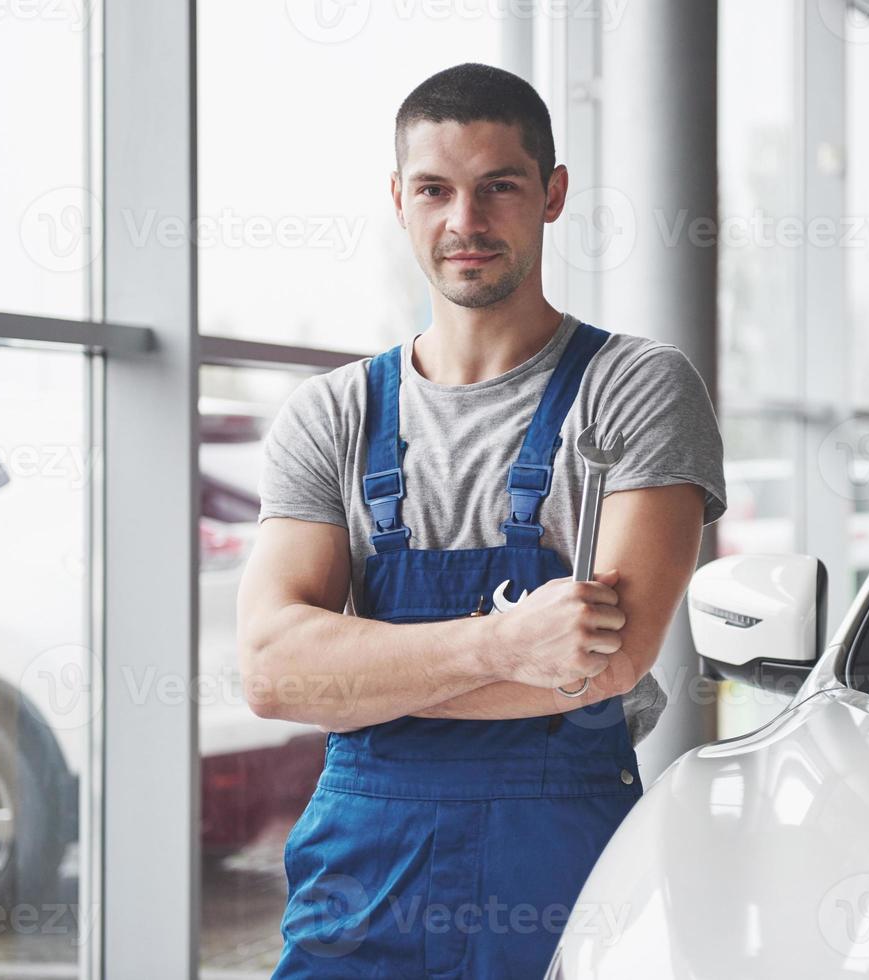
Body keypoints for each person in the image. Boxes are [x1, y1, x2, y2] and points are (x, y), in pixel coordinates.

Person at [237, 62, 727, 978]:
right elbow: (272, 676)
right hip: (359, 885)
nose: (464, 222)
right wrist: (505, 648)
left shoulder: (637, 389)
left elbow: (606, 665)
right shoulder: (332, 414)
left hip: (562, 871)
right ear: (398, 200)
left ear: (552, 194)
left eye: (498, 185)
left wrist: (357, 669)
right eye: (435, 189)